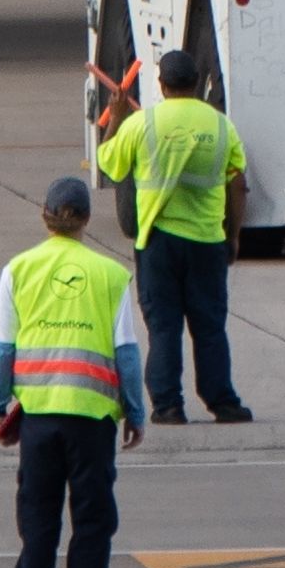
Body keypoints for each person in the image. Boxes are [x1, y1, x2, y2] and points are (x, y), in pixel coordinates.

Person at [0, 172, 145, 568]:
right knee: (93, 516)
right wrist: (135, 413)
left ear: (44, 217)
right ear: (88, 221)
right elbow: (128, 355)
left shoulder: (18, 270)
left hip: (38, 417)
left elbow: (1, 347)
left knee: (38, 514)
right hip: (93, 419)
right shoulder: (111, 275)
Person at [93, 44, 254, 424]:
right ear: (197, 84)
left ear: (161, 85)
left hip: (158, 243)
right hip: (206, 241)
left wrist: (115, 118)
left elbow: (110, 165)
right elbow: (238, 184)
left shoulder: (142, 123)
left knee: (164, 327)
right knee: (210, 326)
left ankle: (168, 406)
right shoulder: (220, 124)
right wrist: (233, 236)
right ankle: (223, 402)